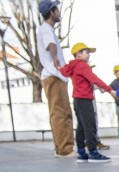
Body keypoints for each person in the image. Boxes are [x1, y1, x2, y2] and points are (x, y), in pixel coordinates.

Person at [59, 43, 117, 163]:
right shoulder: (82, 65)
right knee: (90, 125)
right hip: (85, 99)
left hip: (77, 100)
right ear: (78, 54)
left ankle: (81, 152)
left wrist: (58, 66)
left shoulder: (72, 66)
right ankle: (93, 152)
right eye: (86, 52)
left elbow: (64, 72)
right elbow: (94, 78)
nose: (89, 55)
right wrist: (109, 90)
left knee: (81, 126)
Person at [37, 0, 74, 157]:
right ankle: (64, 149)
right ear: (51, 12)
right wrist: (55, 59)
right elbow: (51, 44)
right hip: (54, 76)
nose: (59, 12)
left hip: (55, 76)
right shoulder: (46, 29)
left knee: (61, 112)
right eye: (57, 9)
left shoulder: (46, 29)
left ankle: (61, 147)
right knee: (60, 112)